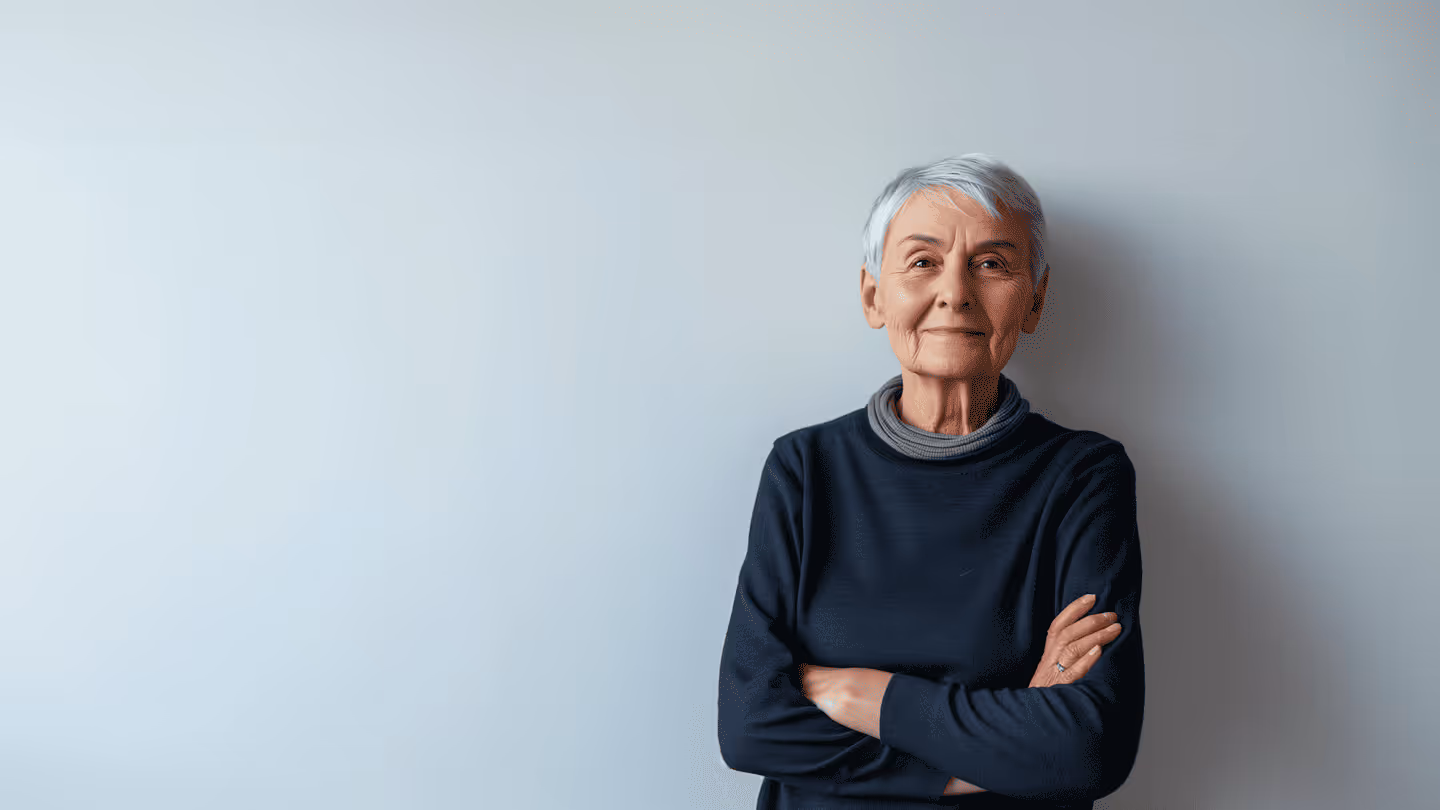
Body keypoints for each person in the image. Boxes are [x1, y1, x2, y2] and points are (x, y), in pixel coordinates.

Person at [717, 154, 1145, 809]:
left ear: (1035, 298)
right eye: (922, 261)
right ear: (872, 296)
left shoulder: (1083, 477)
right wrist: (988, 756)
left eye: (993, 263)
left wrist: (859, 693)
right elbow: (749, 727)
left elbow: (1089, 747)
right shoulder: (804, 469)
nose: (956, 292)